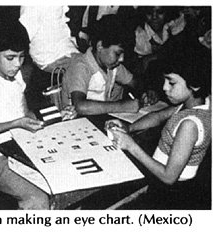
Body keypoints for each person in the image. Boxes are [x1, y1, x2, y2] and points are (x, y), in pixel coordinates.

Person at [108, 49, 211, 209]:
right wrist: (129, 127)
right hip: (165, 184)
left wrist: (131, 146)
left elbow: (169, 177)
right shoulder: (194, 104)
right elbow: (157, 116)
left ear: (195, 85)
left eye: (171, 82)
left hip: (172, 193)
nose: (164, 87)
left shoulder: (190, 125)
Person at [0, 21, 50, 210]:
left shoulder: (15, 74)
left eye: (21, 57)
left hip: (22, 150)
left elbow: (24, 110)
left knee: (63, 181)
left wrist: (42, 120)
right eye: (10, 57)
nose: (17, 64)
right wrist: (16, 123)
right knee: (38, 199)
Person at [62, 15, 158, 116]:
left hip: (97, 119)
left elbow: (135, 83)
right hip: (76, 122)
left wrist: (148, 90)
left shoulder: (113, 66)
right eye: (117, 54)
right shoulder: (81, 66)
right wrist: (122, 106)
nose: (121, 59)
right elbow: (80, 106)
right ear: (100, 46)